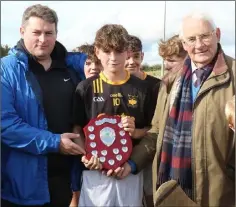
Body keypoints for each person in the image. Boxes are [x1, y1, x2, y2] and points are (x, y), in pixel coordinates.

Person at [1, 4, 87, 207]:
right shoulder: (6, 70)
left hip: (63, 180)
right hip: (21, 185)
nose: (43, 39)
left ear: (57, 33)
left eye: (49, 33)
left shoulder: (72, 67)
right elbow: (5, 125)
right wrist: (54, 142)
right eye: (36, 32)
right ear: (22, 32)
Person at [150, 11, 235, 206]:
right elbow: (156, 131)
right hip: (170, 190)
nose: (199, 45)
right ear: (184, 44)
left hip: (219, 195)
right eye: (191, 39)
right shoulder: (171, 80)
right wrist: (131, 162)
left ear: (218, 34)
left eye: (205, 36)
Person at [72, 24, 157, 207]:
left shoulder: (143, 89)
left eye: (118, 51)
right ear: (97, 51)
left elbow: (153, 129)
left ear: (127, 52)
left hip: (129, 172)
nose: (113, 58)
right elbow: (77, 127)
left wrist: (136, 133)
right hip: (94, 174)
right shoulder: (85, 88)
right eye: (107, 51)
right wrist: (85, 156)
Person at [125, 34, 161, 207]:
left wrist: (136, 133)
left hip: (148, 153)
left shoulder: (156, 85)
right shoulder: (112, 84)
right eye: (128, 56)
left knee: (149, 195)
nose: (132, 62)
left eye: (136, 56)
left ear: (143, 56)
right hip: (119, 156)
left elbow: (159, 126)